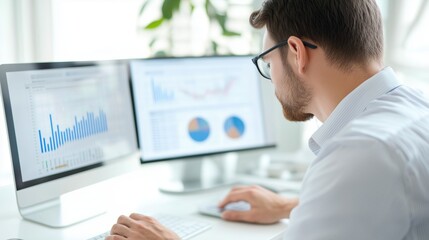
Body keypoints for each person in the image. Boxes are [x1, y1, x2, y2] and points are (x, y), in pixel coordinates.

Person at [106, 0, 429, 239]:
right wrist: (290, 206)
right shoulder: (416, 108)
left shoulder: (359, 152)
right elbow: (380, 203)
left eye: (268, 62)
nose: (270, 78)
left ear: (296, 52)